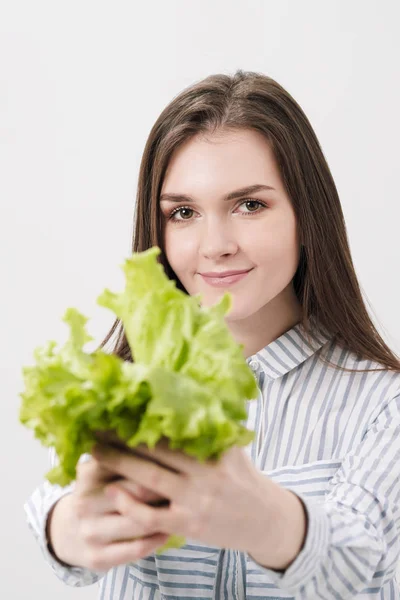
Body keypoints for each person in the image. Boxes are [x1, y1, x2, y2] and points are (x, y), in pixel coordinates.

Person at [24, 70, 400, 599]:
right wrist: (66, 529)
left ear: (306, 214)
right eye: (183, 213)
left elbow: (361, 562)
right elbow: (59, 501)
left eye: (250, 205)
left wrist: (268, 520)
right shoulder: (131, 383)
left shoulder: (384, 403)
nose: (215, 244)